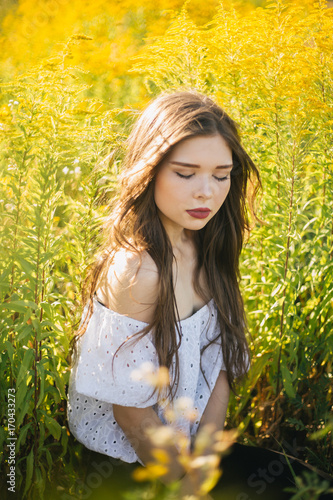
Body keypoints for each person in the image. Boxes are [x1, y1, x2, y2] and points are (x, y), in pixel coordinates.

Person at [66, 90, 261, 497]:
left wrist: (204, 465)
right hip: (127, 465)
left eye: (221, 175)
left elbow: (218, 367)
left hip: (187, 455)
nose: (206, 192)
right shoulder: (139, 270)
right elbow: (132, 415)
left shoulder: (208, 245)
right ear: (148, 171)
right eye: (186, 174)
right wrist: (187, 489)